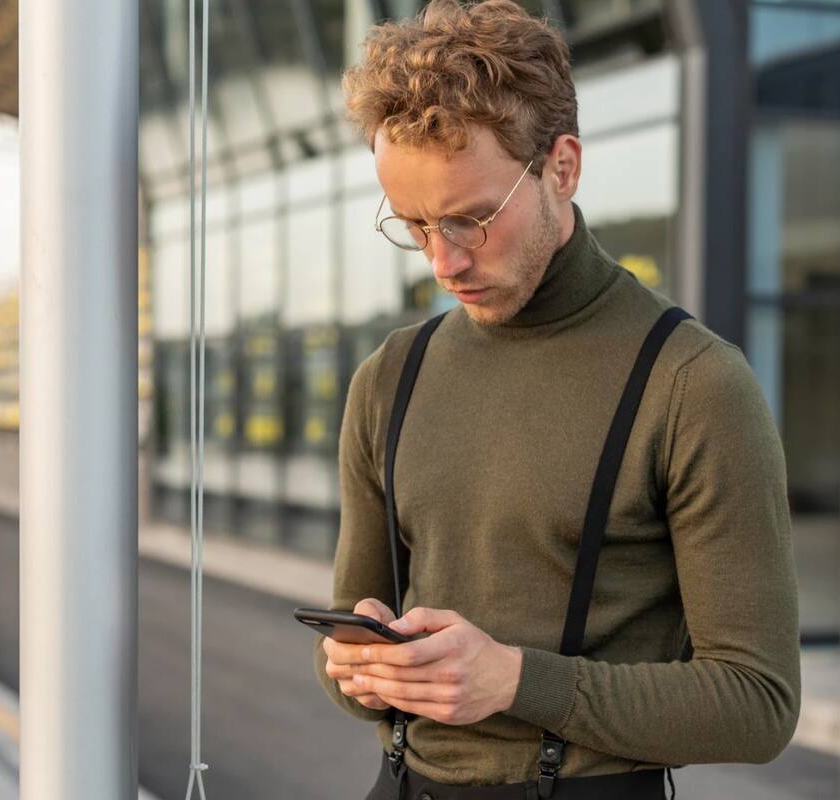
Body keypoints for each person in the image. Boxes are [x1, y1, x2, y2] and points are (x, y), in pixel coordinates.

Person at [313, 2, 800, 797]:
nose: (443, 261)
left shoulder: (693, 384)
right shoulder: (389, 378)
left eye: (471, 219)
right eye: (414, 224)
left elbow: (757, 704)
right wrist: (359, 667)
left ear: (562, 167)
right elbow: (343, 668)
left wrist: (513, 680)